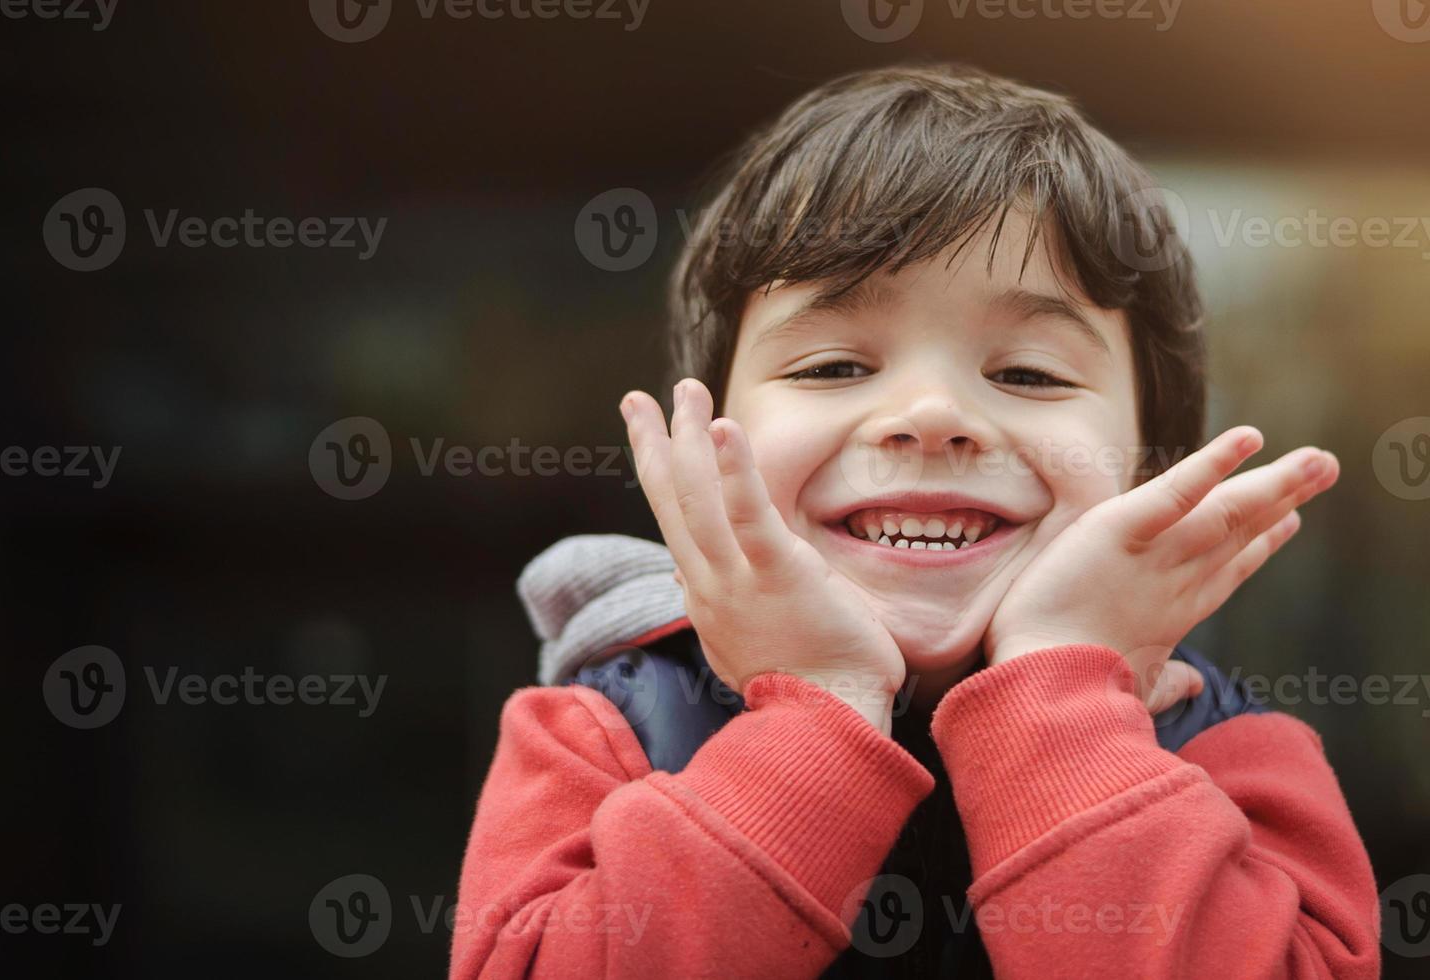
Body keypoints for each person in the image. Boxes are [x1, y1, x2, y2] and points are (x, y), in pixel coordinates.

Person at [450, 64, 1380, 978]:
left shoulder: (1233, 757)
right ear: (704, 441)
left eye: (1029, 374)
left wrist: (1054, 699)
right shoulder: (599, 731)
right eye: (832, 367)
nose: (932, 414)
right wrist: (818, 706)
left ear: (1154, 470)